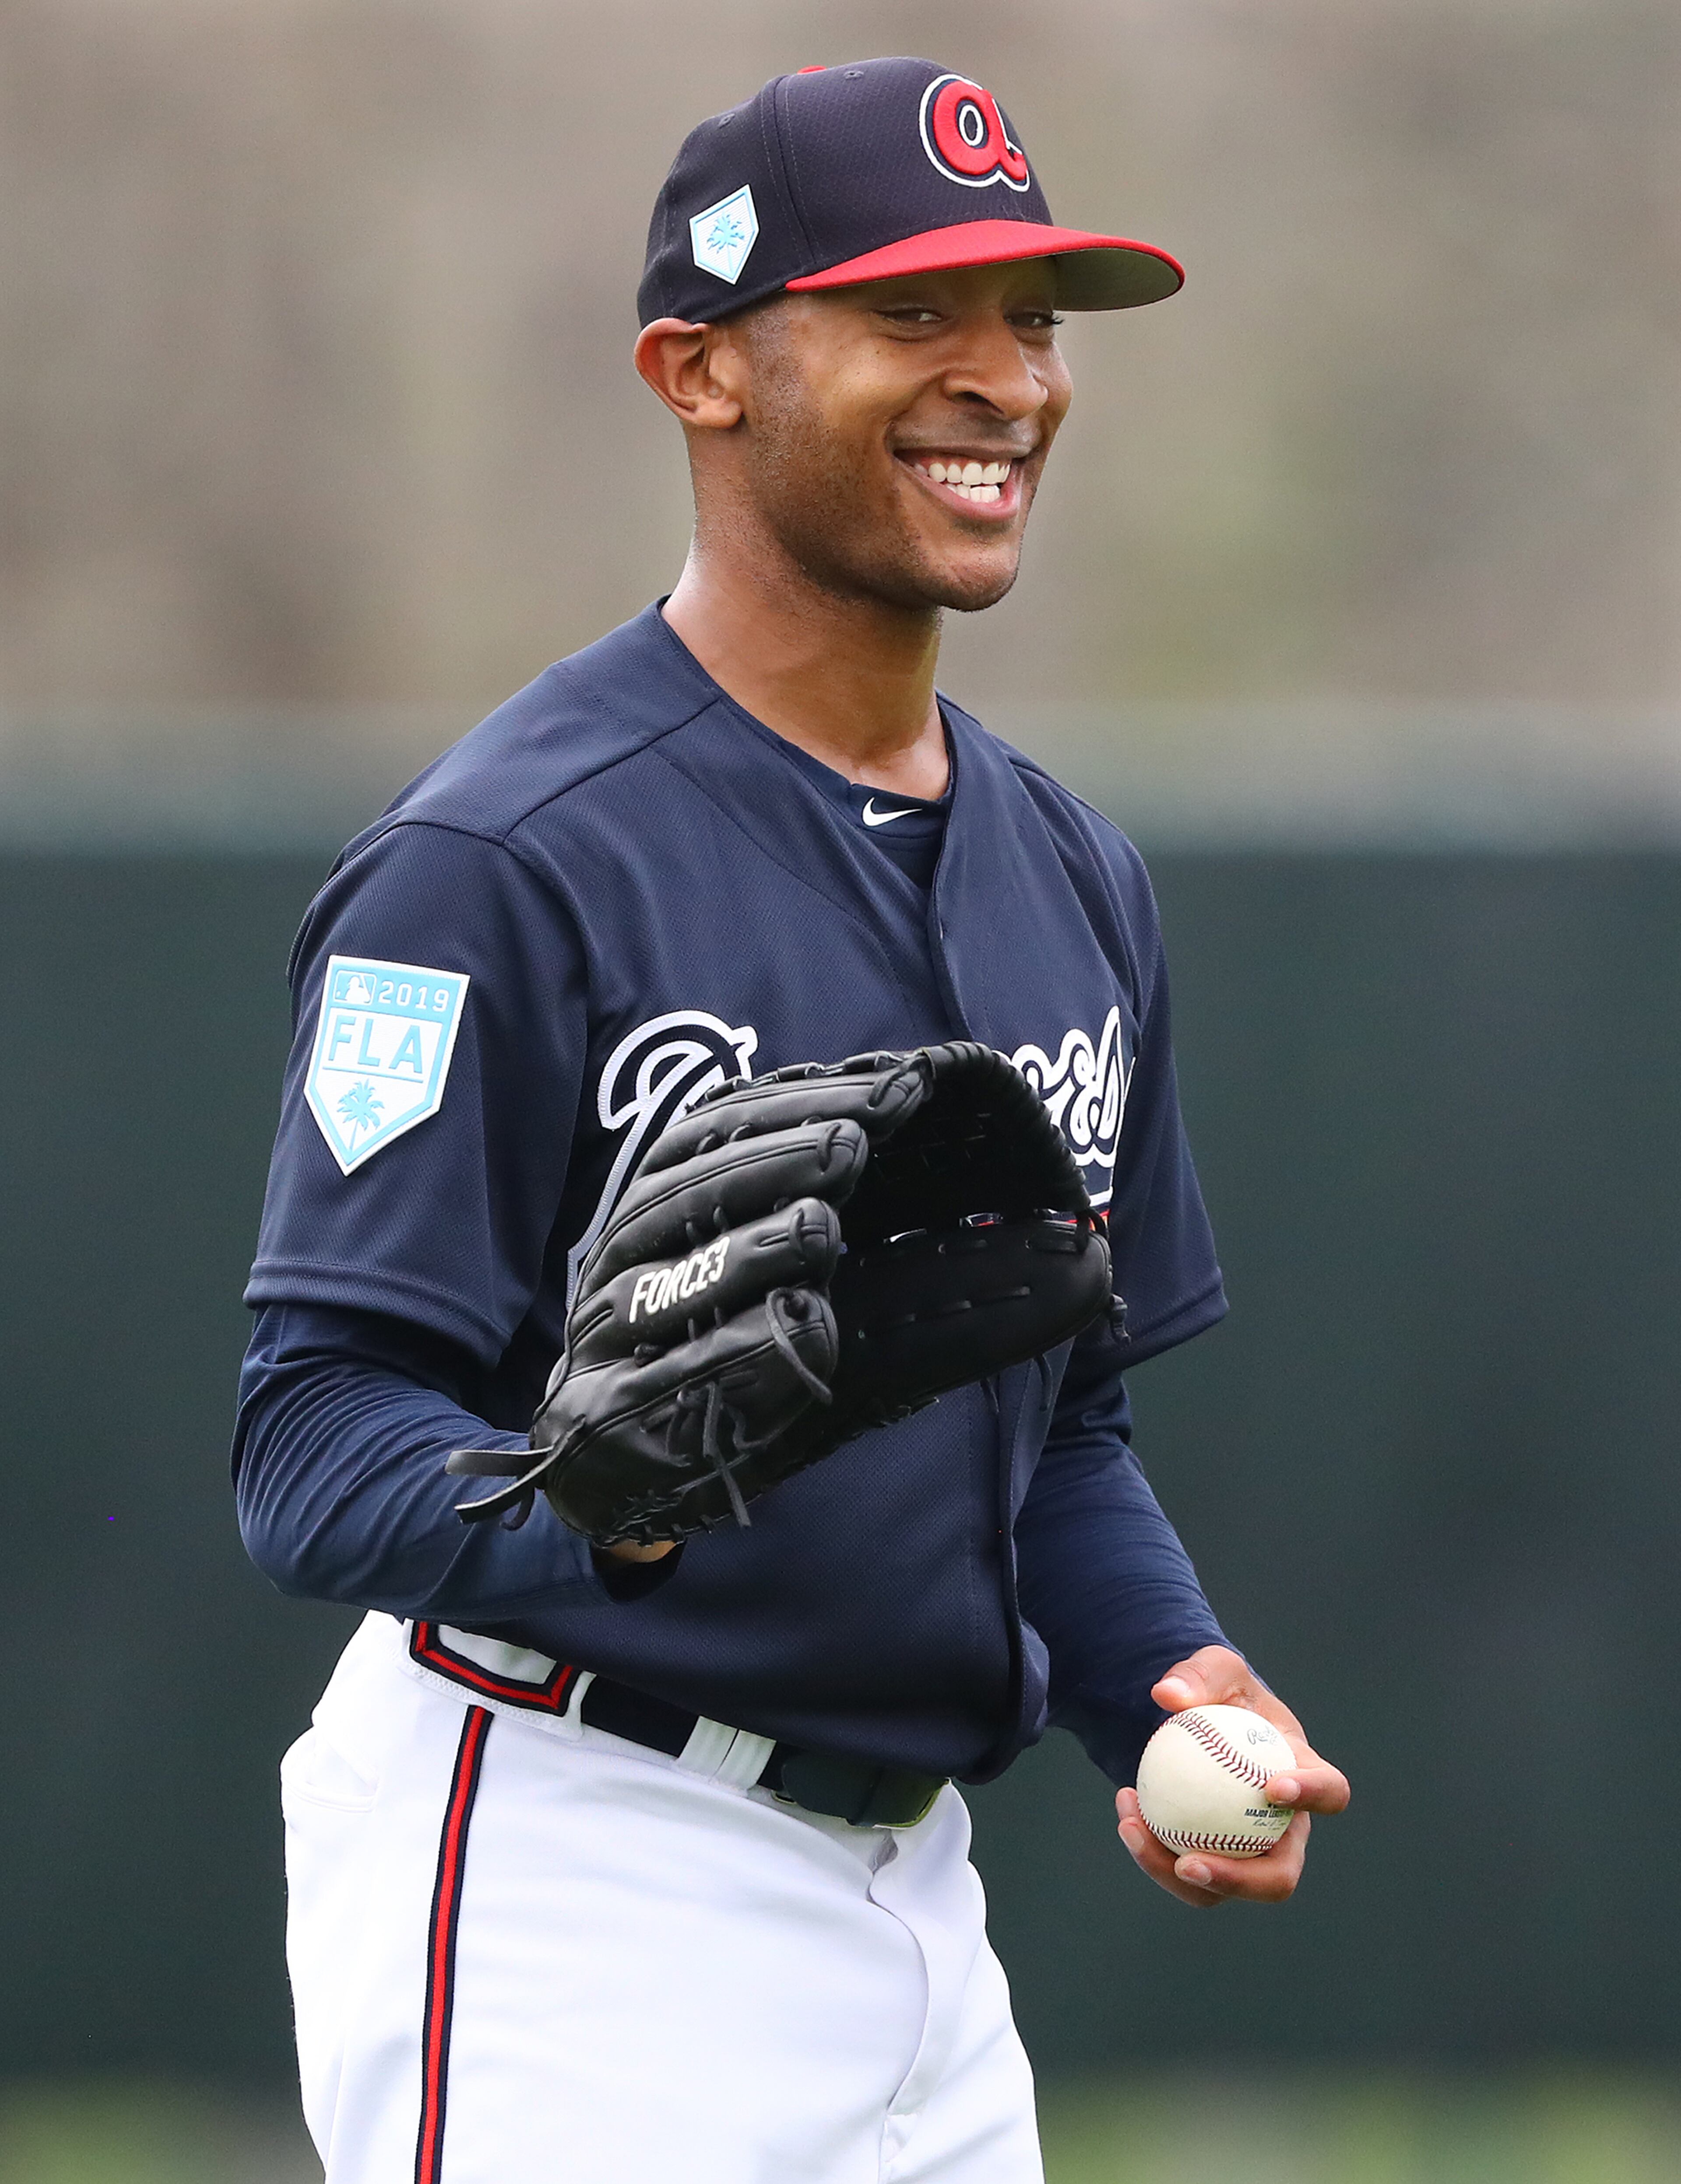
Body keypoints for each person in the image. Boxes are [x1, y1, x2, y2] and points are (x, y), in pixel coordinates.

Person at [235, 55, 1350, 2184]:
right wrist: (597, 1502)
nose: (1005, 380)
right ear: (701, 371)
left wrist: (1169, 1684)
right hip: (575, 1865)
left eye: (1032, 319)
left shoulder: (1071, 877)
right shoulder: (500, 863)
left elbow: (1063, 1421)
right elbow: (307, 1445)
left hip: (916, 1906)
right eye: (916, 316)